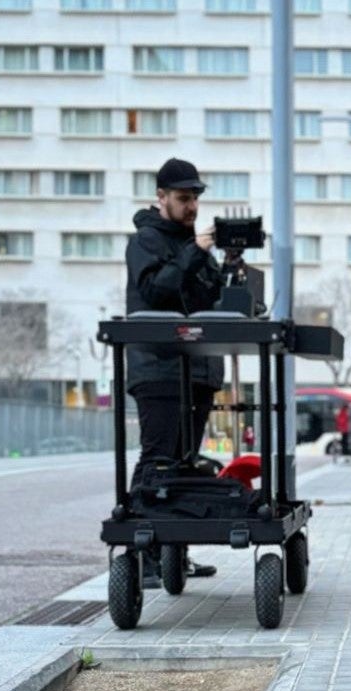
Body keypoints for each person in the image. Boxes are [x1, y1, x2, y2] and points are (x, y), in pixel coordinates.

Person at [125, 156, 224, 578]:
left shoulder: (191, 246)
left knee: (183, 465)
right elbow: (156, 290)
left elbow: (210, 298)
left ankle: (173, 555)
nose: (192, 208)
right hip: (158, 369)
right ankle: (142, 554)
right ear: (161, 197)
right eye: (183, 199)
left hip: (195, 372)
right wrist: (196, 252)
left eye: (195, 199)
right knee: (158, 459)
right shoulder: (146, 240)